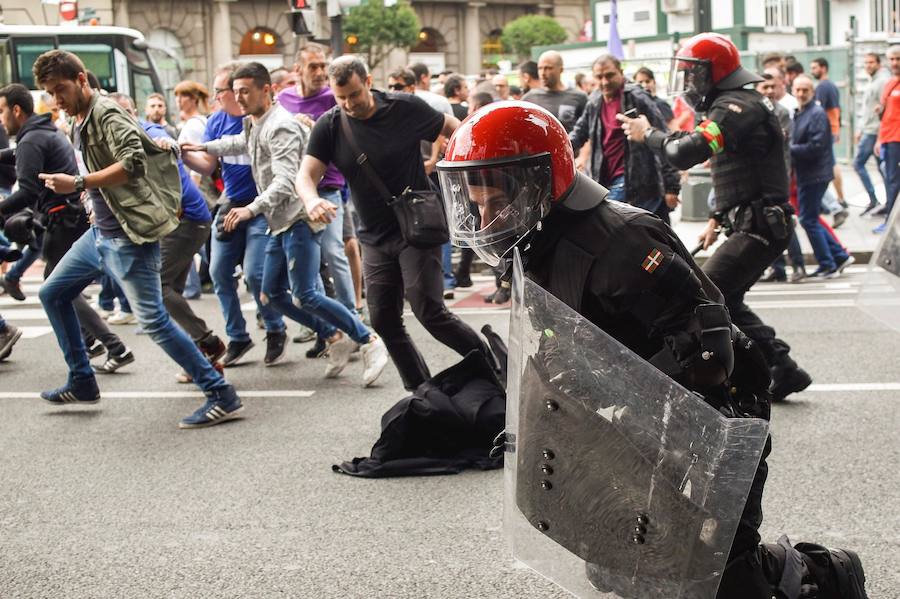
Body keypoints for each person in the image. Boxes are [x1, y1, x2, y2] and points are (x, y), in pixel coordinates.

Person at [439, 98, 869, 599]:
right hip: (638, 416)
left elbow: (707, 348)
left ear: (537, 182)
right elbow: (564, 341)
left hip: (714, 410)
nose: (487, 215)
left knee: (718, 573)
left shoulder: (619, 242)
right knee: (623, 557)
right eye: (478, 204)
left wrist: (672, 427)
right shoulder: (539, 244)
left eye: (497, 201)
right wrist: (534, 421)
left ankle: (825, 576)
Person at [33, 50, 242, 428]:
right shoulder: (77, 117)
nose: (56, 100)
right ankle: (82, 379)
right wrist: (88, 192)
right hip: (101, 234)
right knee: (52, 292)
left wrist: (78, 183)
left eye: (60, 89)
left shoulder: (106, 113)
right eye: (50, 93)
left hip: (129, 237)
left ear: (82, 80)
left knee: (154, 320)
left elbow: (133, 163)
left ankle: (220, 393)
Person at [619, 32, 811, 403]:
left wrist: (650, 134)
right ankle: (783, 369)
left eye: (694, 74)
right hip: (752, 222)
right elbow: (742, 171)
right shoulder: (734, 103)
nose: (690, 82)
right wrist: (715, 219)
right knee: (726, 297)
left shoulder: (737, 106)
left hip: (760, 226)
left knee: (709, 294)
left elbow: (685, 151)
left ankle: (772, 366)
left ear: (714, 72)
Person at [186, 62, 388, 385]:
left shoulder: (279, 126)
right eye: (235, 92)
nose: (239, 98)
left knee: (305, 293)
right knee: (271, 295)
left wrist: (250, 209)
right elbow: (241, 143)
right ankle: (335, 336)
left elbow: (284, 182)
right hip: (278, 222)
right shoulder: (256, 122)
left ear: (267, 90)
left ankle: (367, 339)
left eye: (245, 92)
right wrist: (203, 147)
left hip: (298, 219)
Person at [296, 56, 490, 391]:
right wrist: (311, 200)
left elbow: (454, 128)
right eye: (340, 97)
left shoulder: (404, 108)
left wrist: (468, 169)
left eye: (354, 95)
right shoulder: (330, 124)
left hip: (416, 227)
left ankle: (492, 368)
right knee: (384, 319)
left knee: (429, 310)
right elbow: (305, 176)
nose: (348, 104)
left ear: (368, 81)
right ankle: (421, 390)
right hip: (374, 236)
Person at [0, 82, 135, 373]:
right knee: (60, 286)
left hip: (63, 218)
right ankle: (93, 341)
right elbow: (22, 156)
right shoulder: (42, 132)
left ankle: (113, 346)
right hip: (68, 217)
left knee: (57, 286)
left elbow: (27, 190)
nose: (0, 119)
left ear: (16, 110)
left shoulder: (32, 138)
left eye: (1, 111)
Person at [109, 92, 226, 380]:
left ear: (135, 112)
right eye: (114, 115)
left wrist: (167, 144)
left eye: (126, 112)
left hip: (187, 220)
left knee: (159, 287)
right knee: (169, 291)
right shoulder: (118, 141)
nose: (122, 120)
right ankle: (203, 361)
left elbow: (164, 140)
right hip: (181, 221)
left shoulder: (147, 131)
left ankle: (207, 342)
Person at [180, 61, 288, 366]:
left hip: (259, 205)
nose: (220, 97)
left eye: (222, 91)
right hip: (231, 203)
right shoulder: (216, 121)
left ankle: (275, 328)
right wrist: (186, 153)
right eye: (225, 92)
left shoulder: (262, 120)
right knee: (218, 273)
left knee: (255, 273)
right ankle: (238, 337)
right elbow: (209, 164)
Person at [279, 43, 366, 352]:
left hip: (330, 186)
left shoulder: (334, 98)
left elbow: (351, 134)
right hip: (294, 192)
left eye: (322, 66)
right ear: (297, 70)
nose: (319, 72)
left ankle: (353, 319)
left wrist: (316, 130)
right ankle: (326, 327)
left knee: (336, 251)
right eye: (313, 66)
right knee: (309, 264)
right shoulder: (284, 100)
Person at [570, 55, 680, 223]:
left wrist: (671, 186)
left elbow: (662, 137)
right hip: (605, 181)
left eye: (609, 75)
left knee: (605, 226)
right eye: (599, 77)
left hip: (638, 182)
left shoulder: (637, 97)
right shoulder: (594, 101)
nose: (605, 81)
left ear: (620, 73)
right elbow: (578, 133)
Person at [790, 76, 854, 279]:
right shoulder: (800, 113)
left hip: (814, 175)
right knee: (811, 218)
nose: (801, 94)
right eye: (798, 90)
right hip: (807, 174)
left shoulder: (816, 114)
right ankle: (838, 256)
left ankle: (828, 264)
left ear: (812, 92)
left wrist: (788, 149)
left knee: (808, 220)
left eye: (805, 90)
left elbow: (816, 147)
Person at [810, 57, 848, 225]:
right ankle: (839, 201)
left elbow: (820, 111)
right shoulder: (831, 85)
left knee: (828, 167)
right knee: (831, 166)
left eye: (815, 67)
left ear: (823, 68)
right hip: (830, 130)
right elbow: (836, 108)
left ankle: (837, 203)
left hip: (825, 132)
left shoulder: (823, 87)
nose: (813, 70)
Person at [856, 52, 890, 216]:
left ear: (878, 64)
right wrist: (860, 129)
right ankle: (886, 202)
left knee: (858, 163)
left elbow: (884, 109)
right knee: (883, 168)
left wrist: (880, 134)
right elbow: (868, 109)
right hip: (870, 129)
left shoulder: (882, 81)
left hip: (875, 131)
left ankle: (876, 199)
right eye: (866, 63)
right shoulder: (874, 81)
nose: (868, 65)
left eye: (871, 62)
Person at [521, 51, 587, 132]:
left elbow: (587, 131)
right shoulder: (529, 99)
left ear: (561, 69)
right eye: (540, 68)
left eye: (548, 68)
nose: (543, 73)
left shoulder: (579, 97)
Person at [875, 45, 900, 234]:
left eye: (898, 59)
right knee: (891, 179)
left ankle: (891, 222)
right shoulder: (890, 83)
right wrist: (879, 139)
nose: (895, 63)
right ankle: (891, 220)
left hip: (897, 139)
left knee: (892, 180)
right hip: (889, 138)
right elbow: (884, 114)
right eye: (892, 59)